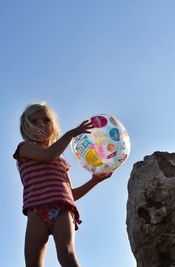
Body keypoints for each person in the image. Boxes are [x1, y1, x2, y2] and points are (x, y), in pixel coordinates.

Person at [13, 103, 112, 267]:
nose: (41, 124)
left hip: (63, 209)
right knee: (32, 263)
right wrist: (71, 134)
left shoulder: (60, 161)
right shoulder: (24, 148)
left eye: (46, 120)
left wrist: (94, 181)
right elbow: (47, 156)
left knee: (67, 255)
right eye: (34, 121)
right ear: (26, 127)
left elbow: (70, 194)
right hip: (36, 211)